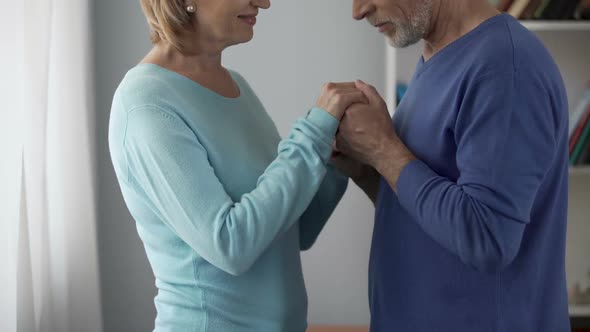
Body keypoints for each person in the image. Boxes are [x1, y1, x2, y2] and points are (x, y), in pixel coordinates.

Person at [108, 0, 367, 331]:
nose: (264, 2)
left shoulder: (236, 85)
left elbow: (292, 231)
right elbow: (229, 245)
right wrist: (313, 134)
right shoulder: (147, 104)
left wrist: (332, 158)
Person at [334, 0, 571, 331]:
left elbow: (487, 238)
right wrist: (366, 164)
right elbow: (432, 214)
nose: (358, 11)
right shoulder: (440, 53)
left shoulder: (503, 67)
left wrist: (383, 148)